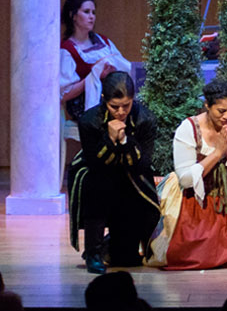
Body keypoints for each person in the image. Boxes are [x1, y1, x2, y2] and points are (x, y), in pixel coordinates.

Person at [148, 78, 227, 270]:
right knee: (191, 255)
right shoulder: (189, 128)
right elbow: (185, 179)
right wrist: (217, 153)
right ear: (207, 106)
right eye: (221, 111)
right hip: (190, 197)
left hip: (224, 195)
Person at [66, 71, 160, 274]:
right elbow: (95, 163)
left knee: (127, 260)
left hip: (133, 175)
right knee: (98, 185)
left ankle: (111, 243)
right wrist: (109, 140)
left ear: (133, 100)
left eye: (126, 106)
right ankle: (93, 251)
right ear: (104, 100)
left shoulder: (145, 119)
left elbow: (143, 163)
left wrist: (124, 140)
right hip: (98, 173)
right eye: (114, 106)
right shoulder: (89, 121)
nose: (120, 112)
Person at [59, 0, 130, 167]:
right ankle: (104, 164)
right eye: (86, 12)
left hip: (111, 96)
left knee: (131, 111)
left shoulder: (103, 41)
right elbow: (64, 94)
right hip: (83, 103)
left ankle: (124, 164)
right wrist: (94, 76)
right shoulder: (68, 49)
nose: (92, 16)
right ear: (73, 16)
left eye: (93, 12)